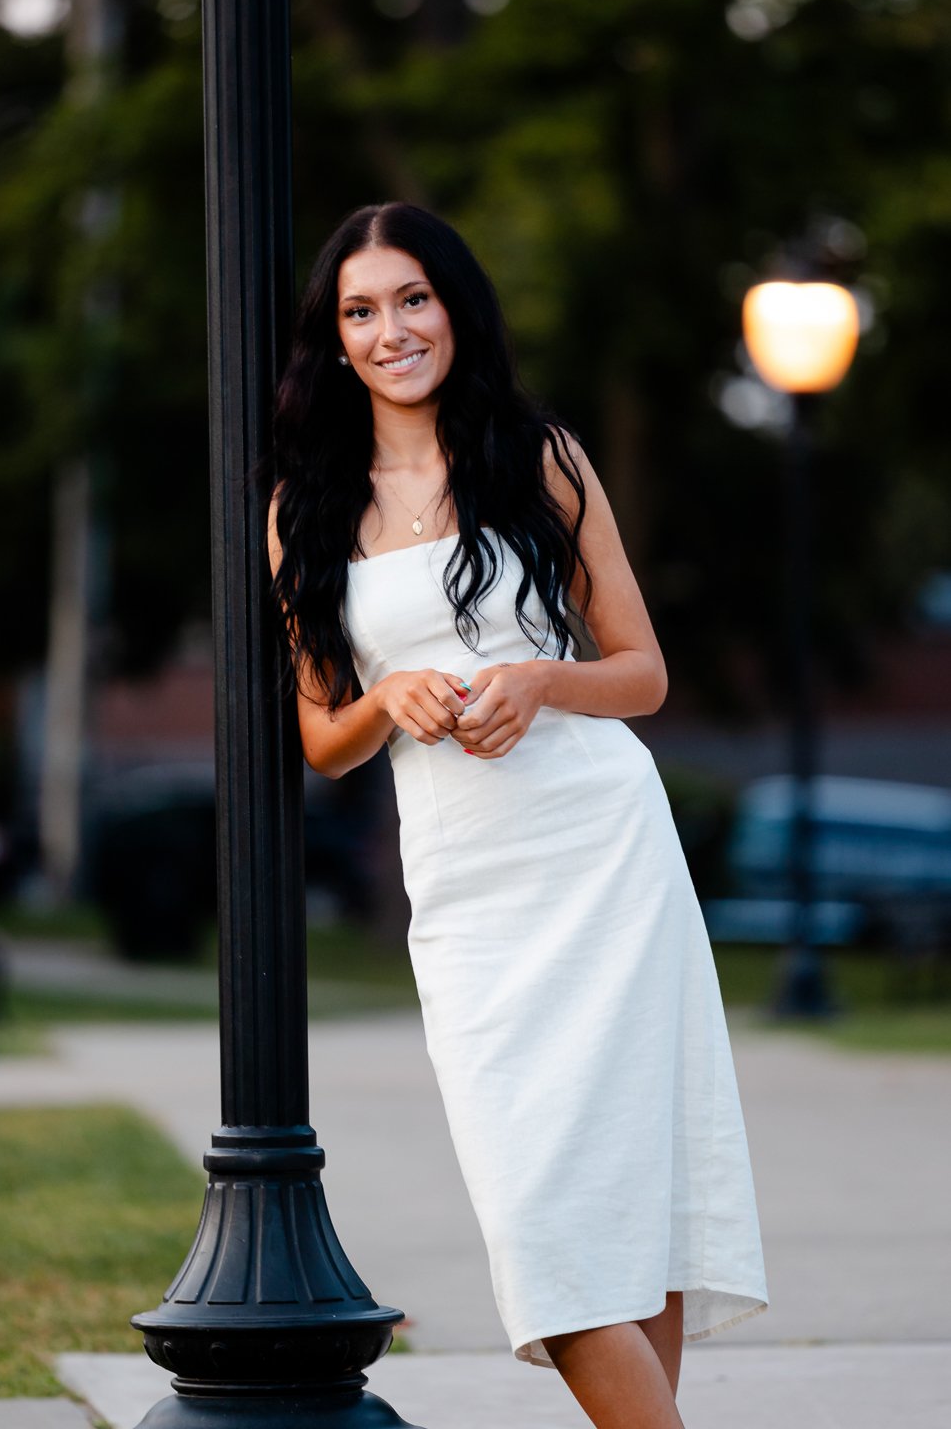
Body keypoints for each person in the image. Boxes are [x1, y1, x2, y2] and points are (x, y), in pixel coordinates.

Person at [265, 202, 768, 1429]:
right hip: (470, 895)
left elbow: (641, 674)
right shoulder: (307, 506)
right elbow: (323, 739)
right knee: (542, 1217)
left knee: (634, 1203)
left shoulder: (539, 455)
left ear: (455, 307)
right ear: (335, 341)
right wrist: (389, 692)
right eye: (362, 310)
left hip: (601, 851)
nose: (392, 330)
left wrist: (542, 677)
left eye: (414, 298)